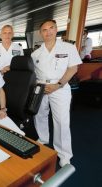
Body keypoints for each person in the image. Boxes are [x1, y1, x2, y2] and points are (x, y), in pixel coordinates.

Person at [31, 19, 82, 167]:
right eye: (44, 30)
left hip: (60, 86)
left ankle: (64, 154)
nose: (48, 32)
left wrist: (58, 85)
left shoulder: (68, 47)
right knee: (39, 116)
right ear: (41, 33)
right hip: (41, 87)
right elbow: (32, 73)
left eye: (51, 28)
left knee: (61, 121)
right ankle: (43, 138)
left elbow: (73, 69)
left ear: (56, 29)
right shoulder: (36, 53)